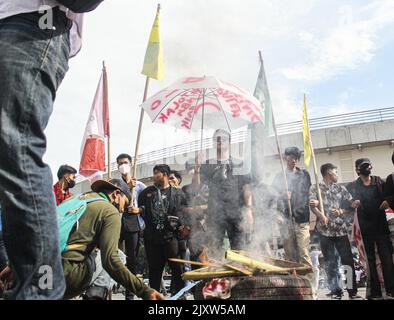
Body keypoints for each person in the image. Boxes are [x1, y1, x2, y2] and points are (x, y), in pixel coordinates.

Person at [193, 129, 253, 258]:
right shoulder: (207, 164)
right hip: (215, 214)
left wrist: (248, 209)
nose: (220, 141)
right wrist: (197, 168)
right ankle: (217, 278)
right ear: (214, 143)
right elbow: (196, 188)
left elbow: (246, 188)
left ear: (229, 143)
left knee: (239, 251)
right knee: (215, 251)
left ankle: (239, 277)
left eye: (223, 138)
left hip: (236, 212)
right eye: (217, 139)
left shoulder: (239, 163)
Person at [132, 164, 187, 296]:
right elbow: (142, 209)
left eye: (156, 173)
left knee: (176, 268)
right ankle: (154, 297)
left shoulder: (178, 193)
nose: (153, 176)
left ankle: (180, 295)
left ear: (165, 175)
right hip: (152, 238)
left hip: (170, 237)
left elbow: (184, 213)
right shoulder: (146, 193)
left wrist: (184, 226)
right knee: (154, 270)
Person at [309, 163, 362, 299]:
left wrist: (342, 210)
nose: (337, 174)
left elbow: (351, 205)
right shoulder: (315, 188)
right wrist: (320, 215)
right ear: (328, 173)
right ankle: (336, 291)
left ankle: (352, 292)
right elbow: (312, 205)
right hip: (324, 231)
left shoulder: (340, 188)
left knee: (348, 261)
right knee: (330, 262)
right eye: (335, 172)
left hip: (341, 231)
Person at [346, 158, 394, 300]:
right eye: (363, 167)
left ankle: (391, 290)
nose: (367, 169)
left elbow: (390, 195)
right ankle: (375, 292)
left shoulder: (379, 182)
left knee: (386, 259)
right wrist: (351, 204)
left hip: (381, 227)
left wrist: (388, 201)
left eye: (368, 166)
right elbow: (344, 202)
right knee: (370, 261)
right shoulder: (352, 186)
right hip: (364, 230)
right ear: (357, 170)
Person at [272, 147, 312, 266]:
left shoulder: (304, 174)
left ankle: (309, 281)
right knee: (289, 255)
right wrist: (282, 195)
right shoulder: (279, 177)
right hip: (286, 220)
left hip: (302, 219)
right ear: (285, 158)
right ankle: (294, 281)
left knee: (304, 252)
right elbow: (272, 196)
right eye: (291, 157)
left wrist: (314, 201)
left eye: (296, 158)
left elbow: (309, 192)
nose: (294, 160)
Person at [116, 153, 146, 300]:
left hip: (132, 224)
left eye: (125, 162)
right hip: (115, 223)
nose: (123, 165)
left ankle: (130, 294)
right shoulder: (113, 184)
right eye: (120, 163)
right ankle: (109, 287)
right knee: (114, 256)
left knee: (132, 259)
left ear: (131, 164)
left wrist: (139, 210)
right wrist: (127, 188)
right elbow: (114, 203)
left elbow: (149, 206)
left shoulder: (140, 186)